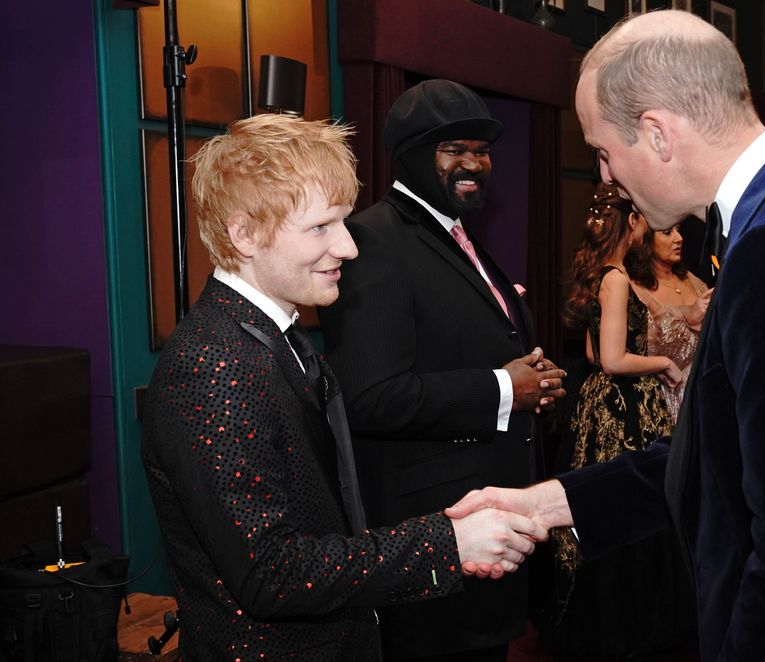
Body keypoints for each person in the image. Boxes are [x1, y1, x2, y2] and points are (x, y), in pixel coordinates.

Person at [448, 10, 765, 661]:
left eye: (603, 152)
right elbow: (726, 456)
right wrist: (546, 504)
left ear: (658, 133)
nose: (605, 177)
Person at [140, 114, 545, 661]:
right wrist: (446, 544)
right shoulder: (212, 364)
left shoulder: (273, 338)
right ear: (244, 235)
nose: (349, 248)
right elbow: (271, 572)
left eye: (343, 223)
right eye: (320, 228)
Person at [318, 79, 565, 662]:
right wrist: (504, 388)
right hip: (432, 540)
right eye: (453, 149)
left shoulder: (459, 238)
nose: (473, 164)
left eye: (481, 150)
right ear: (410, 155)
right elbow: (370, 396)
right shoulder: (372, 240)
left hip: (488, 528)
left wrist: (533, 383)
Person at [545, 182, 694, 659]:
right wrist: (664, 363)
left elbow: (592, 352)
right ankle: (632, 627)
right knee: (632, 509)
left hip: (599, 404)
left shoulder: (604, 274)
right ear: (631, 222)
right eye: (644, 218)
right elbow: (611, 360)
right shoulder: (617, 278)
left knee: (602, 507)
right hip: (624, 409)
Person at [633, 213, 711, 420]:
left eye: (678, 230)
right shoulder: (636, 290)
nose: (679, 238)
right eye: (668, 232)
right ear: (646, 241)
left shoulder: (695, 283)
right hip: (658, 398)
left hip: (698, 395)